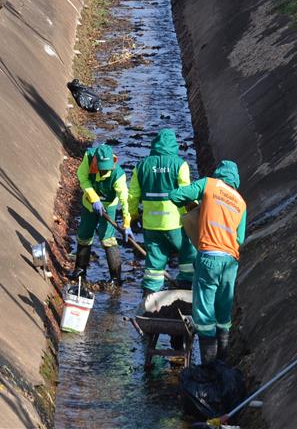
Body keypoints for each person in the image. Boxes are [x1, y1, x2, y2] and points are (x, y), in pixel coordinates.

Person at [168, 160, 247, 365]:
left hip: (209, 257)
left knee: (204, 313)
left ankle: (209, 367)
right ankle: (222, 362)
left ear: (219, 173)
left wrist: (195, 207)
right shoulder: (240, 202)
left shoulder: (209, 184)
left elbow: (175, 196)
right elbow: (240, 239)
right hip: (230, 262)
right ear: (235, 180)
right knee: (223, 312)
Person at [127, 129, 197, 293]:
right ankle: (186, 287)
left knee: (154, 261)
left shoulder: (141, 166)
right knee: (187, 253)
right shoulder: (180, 165)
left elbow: (133, 196)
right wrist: (196, 215)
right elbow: (186, 194)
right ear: (174, 145)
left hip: (151, 224)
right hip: (176, 224)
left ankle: (150, 294)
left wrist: (133, 216)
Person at [70, 143, 132, 284]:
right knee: (84, 234)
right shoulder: (89, 157)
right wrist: (94, 198)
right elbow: (82, 177)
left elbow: (124, 200)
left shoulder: (118, 175)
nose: (103, 172)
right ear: (95, 162)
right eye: (101, 168)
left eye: (106, 169)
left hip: (108, 205)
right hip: (89, 203)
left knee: (107, 238)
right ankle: (80, 271)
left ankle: (115, 278)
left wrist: (127, 223)